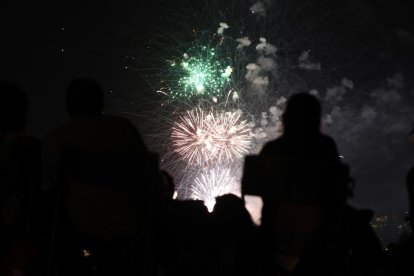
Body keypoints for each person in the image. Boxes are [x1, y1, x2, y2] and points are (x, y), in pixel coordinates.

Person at [259, 92, 342, 274]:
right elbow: (336, 191)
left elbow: (260, 190)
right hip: (320, 232)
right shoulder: (325, 146)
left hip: (275, 231)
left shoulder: (272, 149)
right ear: (316, 118)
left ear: (287, 117)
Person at [42, 78, 149, 191]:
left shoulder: (54, 139)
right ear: (101, 103)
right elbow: (147, 172)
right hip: (122, 207)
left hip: (75, 207)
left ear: (68, 105)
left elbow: (47, 188)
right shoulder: (122, 128)